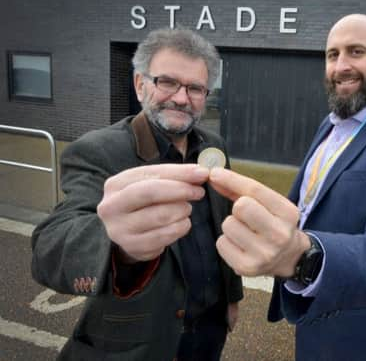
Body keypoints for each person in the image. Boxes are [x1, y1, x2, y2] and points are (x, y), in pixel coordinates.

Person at [209, 14, 366, 360]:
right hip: (312, 318)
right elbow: (307, 206)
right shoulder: (330, 125)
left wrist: (303, 258)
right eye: (333, 55)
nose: (342, 66)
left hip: (363, 337)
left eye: (356, 52)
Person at [31, 28, 243, 361]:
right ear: (140, 85)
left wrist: (232, 297)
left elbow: (223, 226)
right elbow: (50, 247)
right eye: (167, 82)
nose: (181, 98)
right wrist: (114, 242)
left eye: (195, 88)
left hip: (209, 331)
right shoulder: (98, 151)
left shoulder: (215, 148)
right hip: (139, 341)